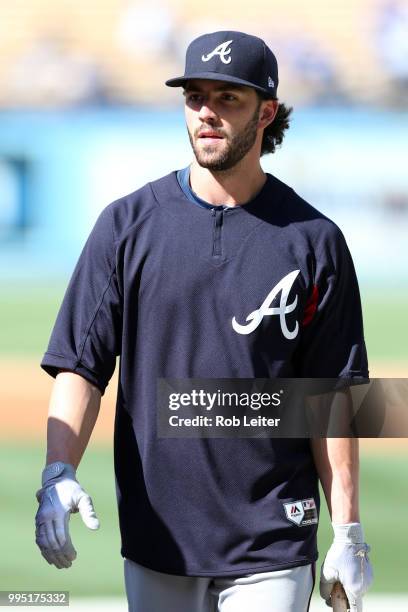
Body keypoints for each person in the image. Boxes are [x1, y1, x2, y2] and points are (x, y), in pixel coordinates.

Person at [35, 30, 373, 612]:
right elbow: (80, 366)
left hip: (274, 535)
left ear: (267, 112)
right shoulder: (125, 227)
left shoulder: (315, 241)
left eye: (228, 99)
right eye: (195, 97)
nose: (207, 114)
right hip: (158, 536)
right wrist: (56, 471)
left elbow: (332, 396)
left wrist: (347, 529)